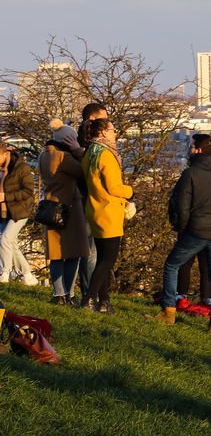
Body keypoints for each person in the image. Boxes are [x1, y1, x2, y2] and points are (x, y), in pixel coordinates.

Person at [153, 134, 211, 335]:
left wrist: (183, 227)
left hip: (195, 230)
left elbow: (181, 206)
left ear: (198, 150)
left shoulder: (191, 174)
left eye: (192, 146)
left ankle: (169, 311)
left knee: (172, 265)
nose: (190, 150)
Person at [80, 118, 133, 313]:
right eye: (113, 130)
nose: (115, 133)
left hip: (94, 210)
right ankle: (89, 299)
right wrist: (130, 192)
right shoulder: (106, 155)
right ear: (102, 133)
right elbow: (114, 187)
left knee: (102, 258)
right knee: (108, 260)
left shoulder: (89, 154)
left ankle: (103, 302)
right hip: (109, 212)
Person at [38, 120, 88, 304]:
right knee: (75, 251)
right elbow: (85, 172)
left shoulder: (43, 156)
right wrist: (79, 152)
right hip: (69, 207)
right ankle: (69, 293)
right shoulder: (63, 157)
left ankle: (58, 294)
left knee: (56, 254)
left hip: (50, 206)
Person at [72, 102, 108, 299]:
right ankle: (90, 293)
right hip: (89, 200)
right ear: (92, 119)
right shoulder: (90, 145)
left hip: (85, 198)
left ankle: (91, 291)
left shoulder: (82, 142)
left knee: (91, 250)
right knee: (91, 250)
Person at [0, 140, 38, 285]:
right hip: (5, 211)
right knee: (11, 243)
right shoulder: (1, 168)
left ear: (6, 154)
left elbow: (28, 191)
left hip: (21, 210)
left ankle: (4, 273)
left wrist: (6, 197)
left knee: (5, 239)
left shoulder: (21, 168)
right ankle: (28, 276)